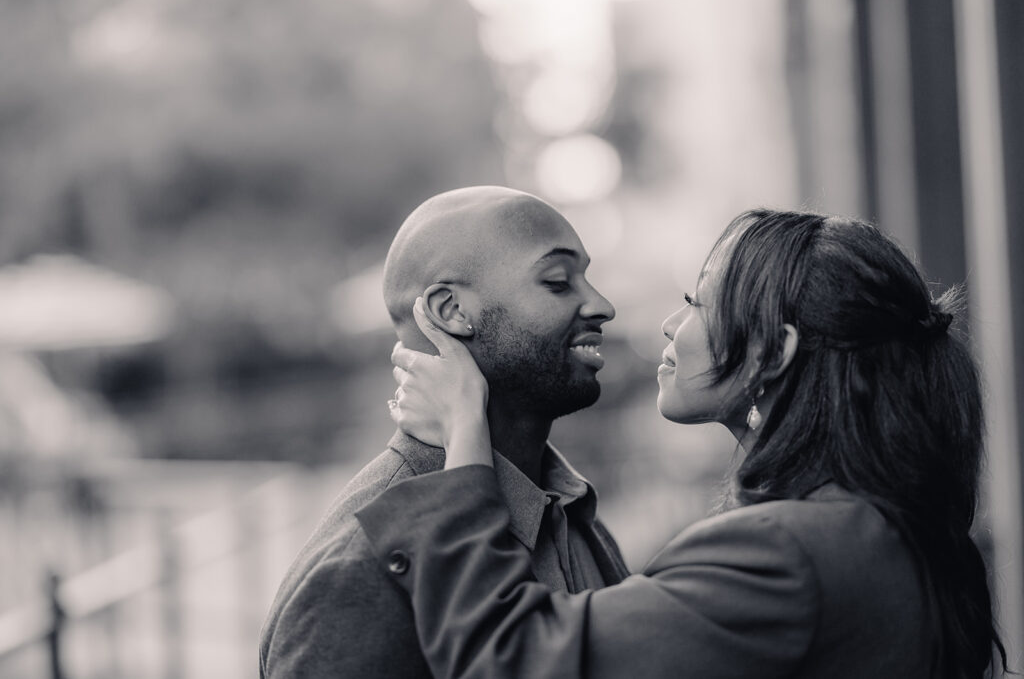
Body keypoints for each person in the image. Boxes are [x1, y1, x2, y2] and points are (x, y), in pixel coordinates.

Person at [356, 209, 1009, 678]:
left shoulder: (786, 551)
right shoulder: (884, 524)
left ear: (772, 351)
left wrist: (463, 442)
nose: (670, 324)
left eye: (698, 301)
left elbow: (514, 659)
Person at [258, 186, 630, 677]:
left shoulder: (568, 506)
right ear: (451, 311)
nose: (602, 305)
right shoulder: (358, 570)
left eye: (587, 278)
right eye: (559, 282)